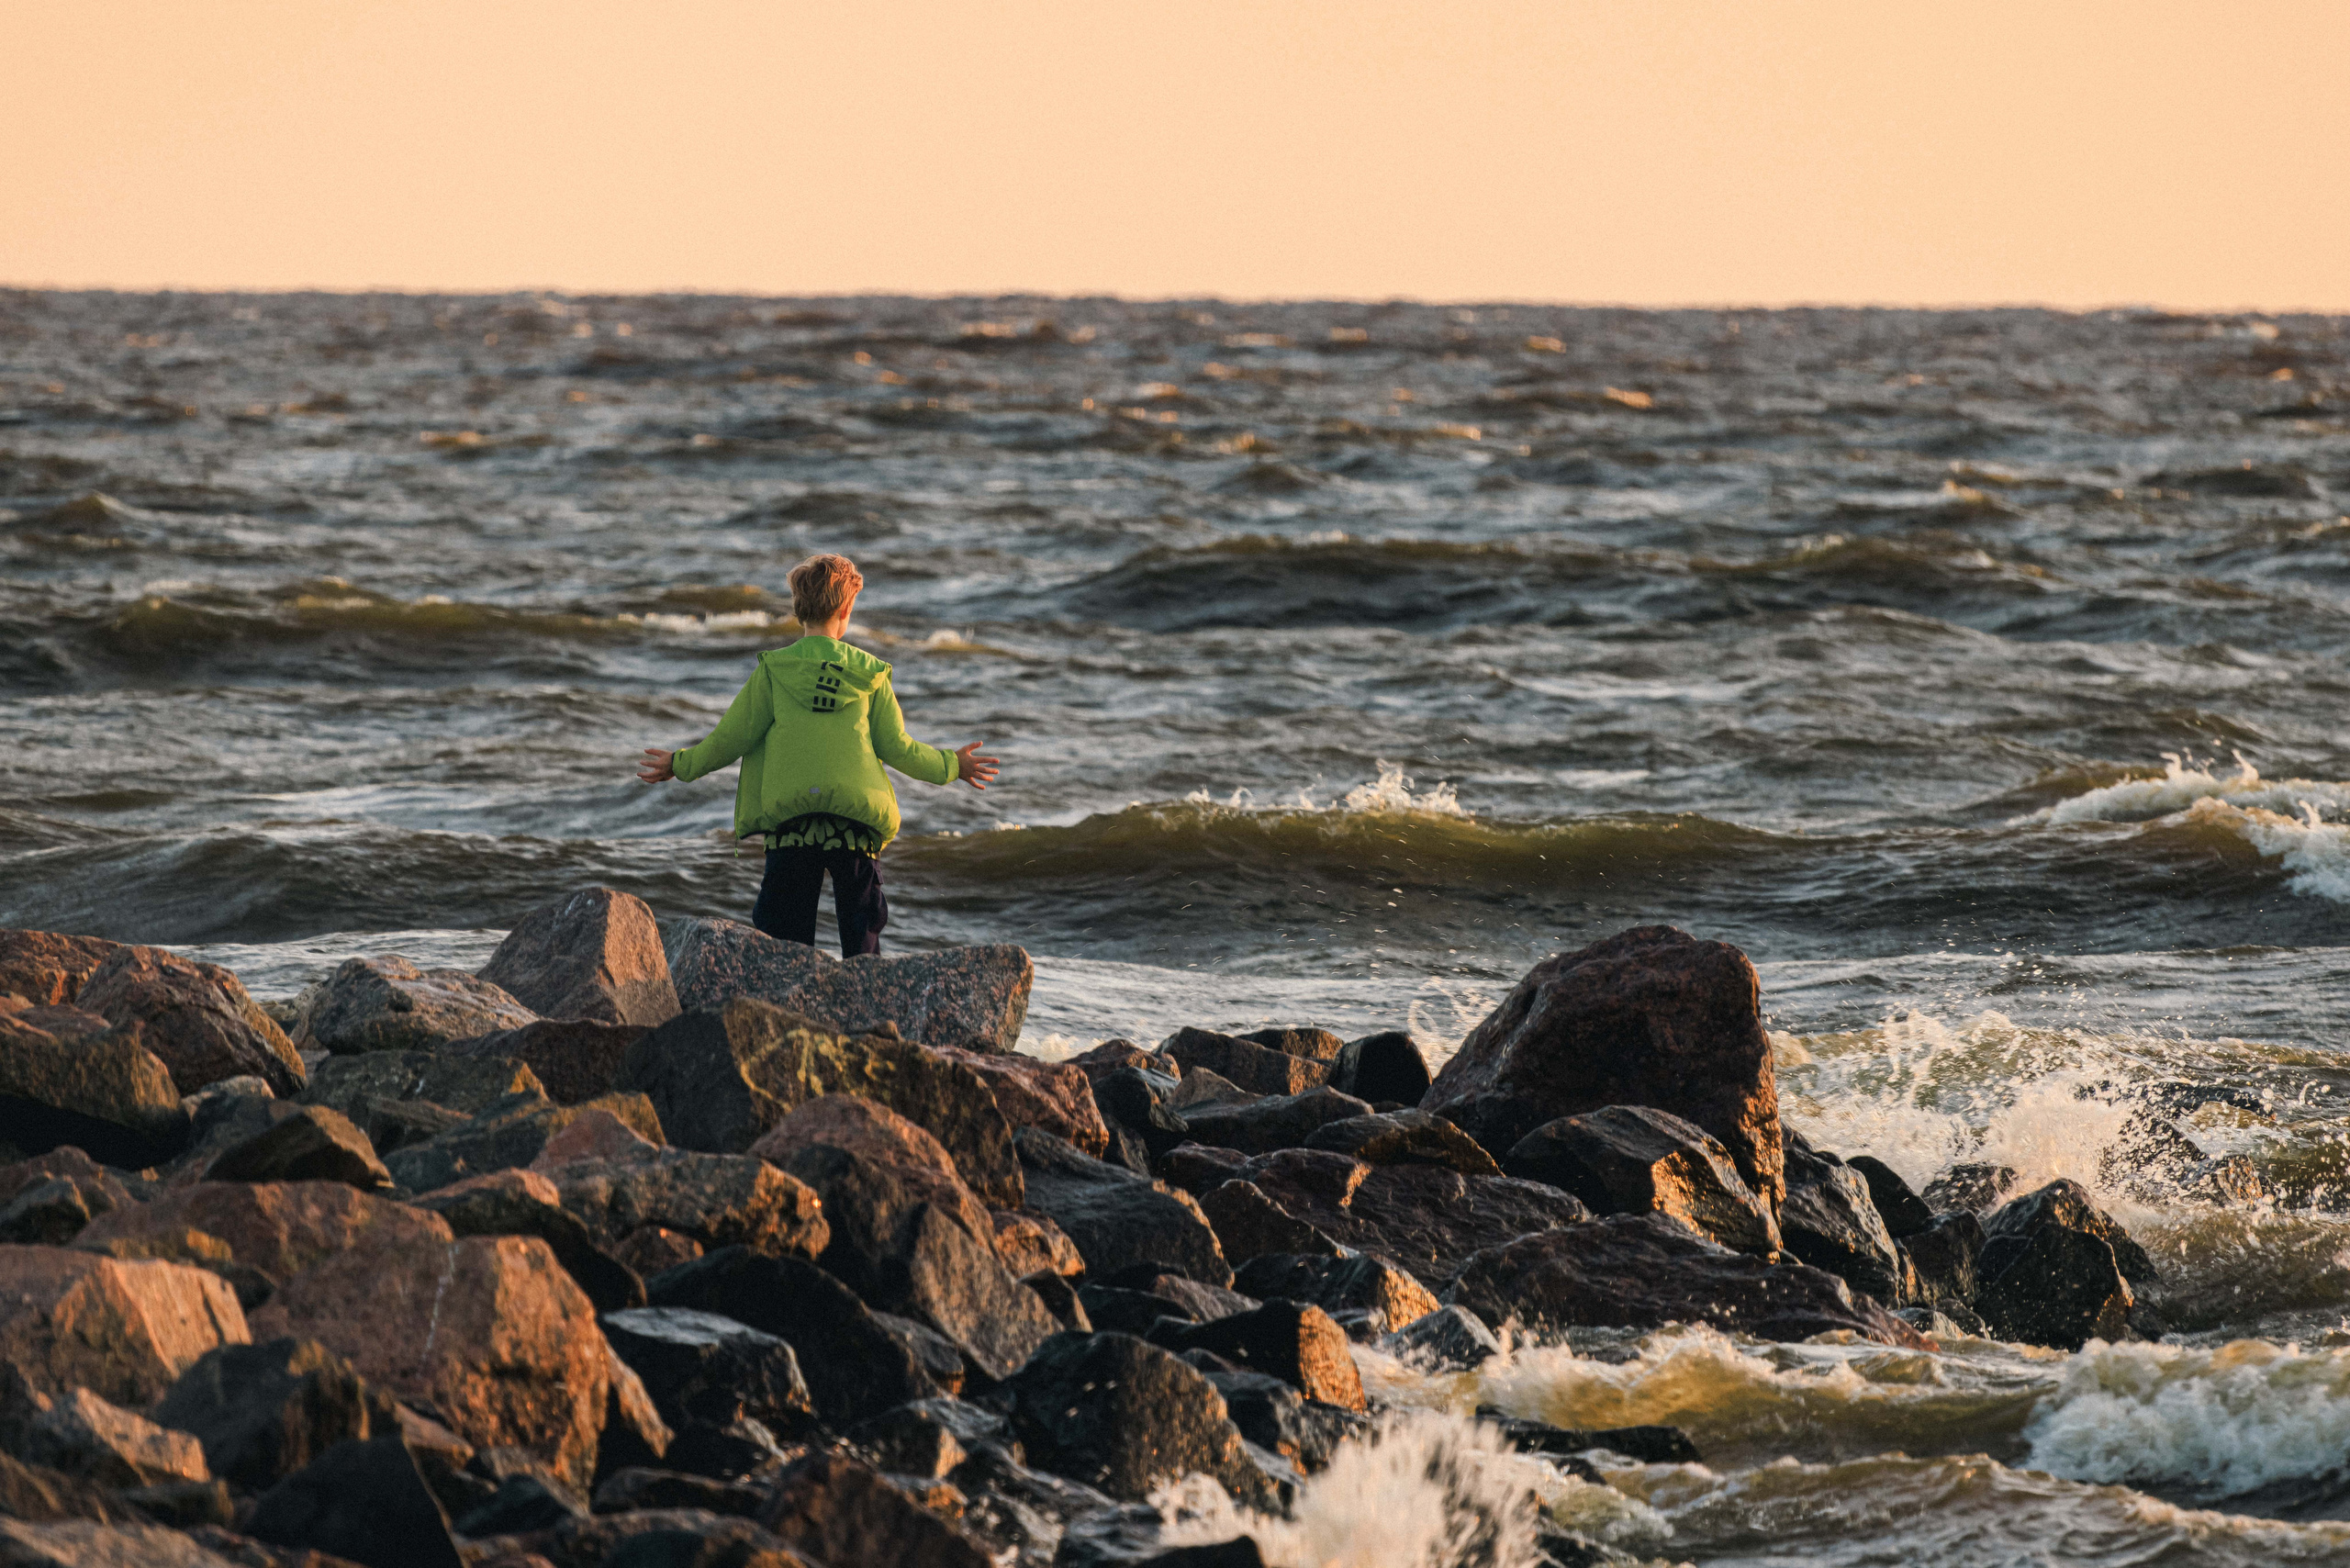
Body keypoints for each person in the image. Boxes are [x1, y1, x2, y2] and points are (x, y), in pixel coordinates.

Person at [635, 554, 998, 956]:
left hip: (794, 823)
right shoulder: (870, 673)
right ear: (845, 610)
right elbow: (901, 749)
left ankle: (782, 1007)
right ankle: (866, 1009)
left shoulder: (774, 671)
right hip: (855, 825)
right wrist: (954, 765)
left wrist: (679, 765)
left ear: (798, 609)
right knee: (862, 942)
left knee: (784, 944)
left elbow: (729, 740)